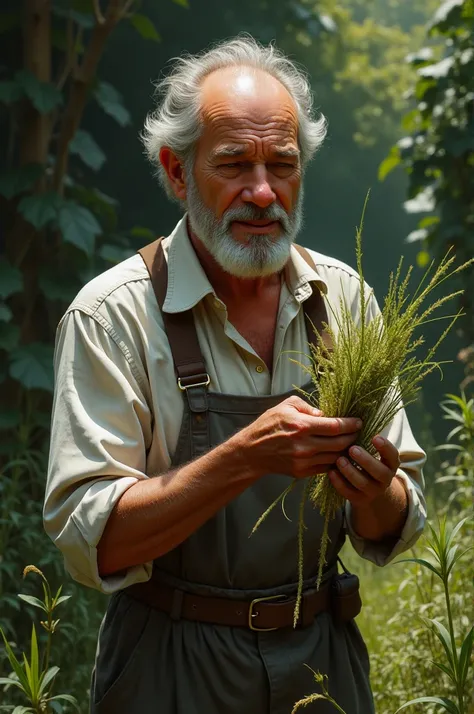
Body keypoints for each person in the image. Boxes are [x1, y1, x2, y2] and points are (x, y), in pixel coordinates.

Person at [44, 36, 427, 714]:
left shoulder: (344, 303)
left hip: (322, 664)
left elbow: (396, 525)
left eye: (282, 164)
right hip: (169, 666)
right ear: (176, 171)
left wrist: (373, 490)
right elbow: (90, 541)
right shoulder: (113, 315)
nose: (261, 191)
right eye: (233, 164)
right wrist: (245, 458)